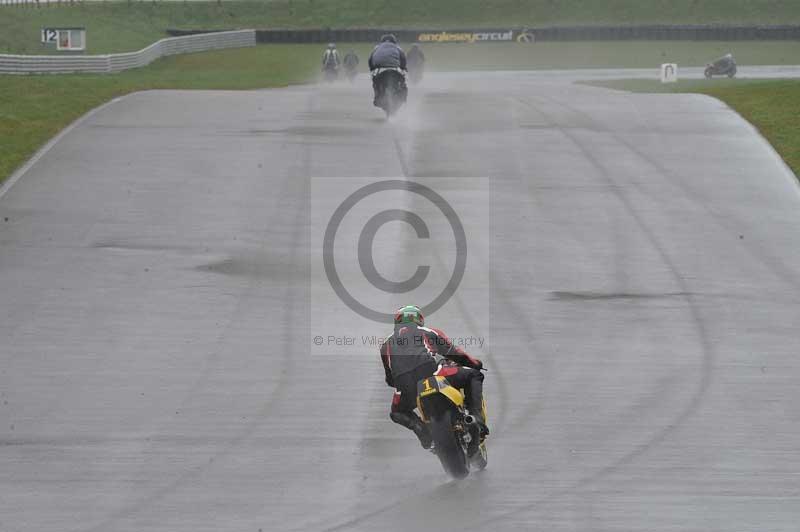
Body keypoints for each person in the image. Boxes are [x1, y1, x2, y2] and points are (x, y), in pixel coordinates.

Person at [380, 305, 487, 449]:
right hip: (430, 372)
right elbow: (454, 352)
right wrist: (474, 363)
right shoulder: (428, 332)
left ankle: (422, 431)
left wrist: (405, 382)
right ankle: (477, 419)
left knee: (397, 412)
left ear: (397, 321)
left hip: (404, 386)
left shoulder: (385, 345)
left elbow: (390, 379)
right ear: (419, 319)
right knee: (474, 375)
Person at [368, 34, 407, 105]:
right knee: (403, 80)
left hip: (380, 69)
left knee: (375, 81)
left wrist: (372, 69)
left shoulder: (377, 48)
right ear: (394, 41)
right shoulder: (398, 47)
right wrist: (404, 68)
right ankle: (403, 97)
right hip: (395, 69)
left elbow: (370, 60)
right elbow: (403, 59)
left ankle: (377, 97)